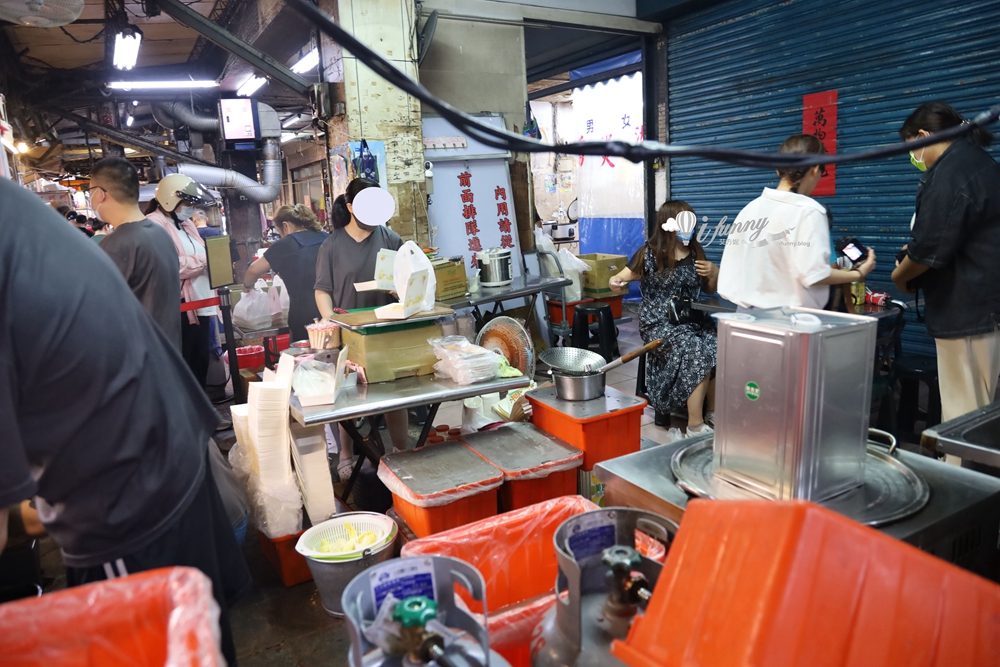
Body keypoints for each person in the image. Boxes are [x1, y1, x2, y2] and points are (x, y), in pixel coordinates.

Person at [0, 177, 250, 665]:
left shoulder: (139, 236)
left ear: (101, 194)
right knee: (200, 640)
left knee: (160, 648)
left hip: (128, 486)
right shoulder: (25, 215)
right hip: (168, 432)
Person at [891, 101, 1000, 426]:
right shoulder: (980, 163)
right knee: (982, 411)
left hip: (967, 312)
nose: (913, 157)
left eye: (912, 148)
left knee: (963, 416)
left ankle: (958, 475)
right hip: (985, 309)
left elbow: (927, 249)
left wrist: (900, 276)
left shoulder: (950, 171)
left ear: (923, 135)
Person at [314, 178, 408, 480]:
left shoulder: (391, 238)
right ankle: (346, 454)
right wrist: (332, 320)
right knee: (348, 397)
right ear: (351, 206)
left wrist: (402, 291)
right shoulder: (331, 244)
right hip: (348, 331)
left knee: (394, 393)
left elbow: (403, 280)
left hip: (385, 329)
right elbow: (322, 289)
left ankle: (402, 452)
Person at [718, 134, 876, 310]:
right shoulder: (809, 211)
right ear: (815, 169)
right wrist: (859, 272)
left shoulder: (749, 209)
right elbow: (814, 275)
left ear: (779, 170)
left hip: (743, 318)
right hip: (788, 323)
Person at [610, 201, 719, 436]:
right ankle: (694, 424)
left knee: (718, 343)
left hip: (691, 318)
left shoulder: (696, 251)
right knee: (695, 349)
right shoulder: (649, 253)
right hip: (659, 322)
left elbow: (709, 289)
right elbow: (619, 278)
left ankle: (712, 411)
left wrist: (714, 273)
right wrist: (616, 283)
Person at [90, 157, 182, 349]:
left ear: (100, 194)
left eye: (90, 192)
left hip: (139, 362)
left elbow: (98, 315)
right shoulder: (160, 233)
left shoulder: (115, 246)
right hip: (168, 353)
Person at [145, 174, 218, 392]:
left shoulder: (186, 224)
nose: (190, 209)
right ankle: (191, 418)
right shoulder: (154, 224)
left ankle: (203, 415)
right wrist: (205, 261)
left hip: (201, 304)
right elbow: (170, 265)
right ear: (169, 200)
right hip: (180, 309)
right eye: (187, 203)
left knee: (200, 359)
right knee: (185, 363)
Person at [242, 204, 328, 341]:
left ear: (285, 226)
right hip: (331, 308)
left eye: (279, 230)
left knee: (305, 358)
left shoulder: (287, 244)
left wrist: (247, 286)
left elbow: (253, 270)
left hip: (303, 313)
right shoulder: (325, 237)